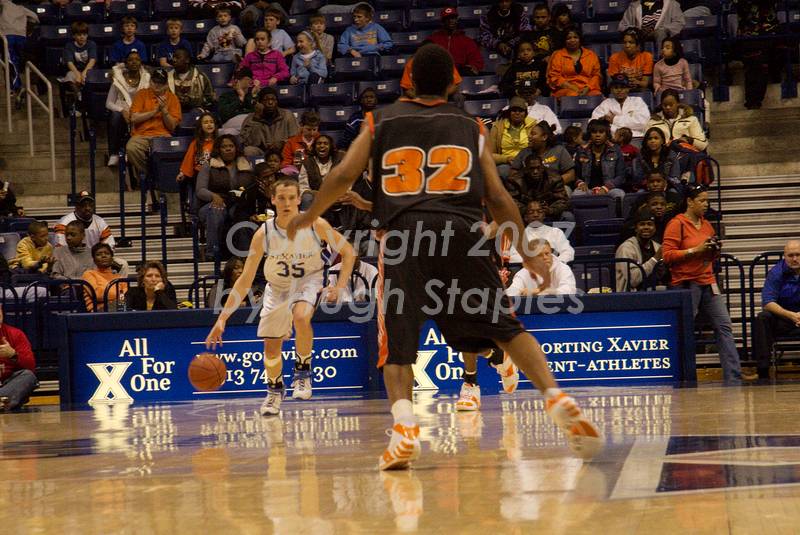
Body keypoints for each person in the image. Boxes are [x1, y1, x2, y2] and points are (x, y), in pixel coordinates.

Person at [284, 43, 601, 469]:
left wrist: (310, 214)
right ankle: (554, 395)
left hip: (404, 239)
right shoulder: (472, 126)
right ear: (454, 82)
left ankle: (404, 430)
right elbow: (500, 197)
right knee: (506, 328)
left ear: (409, 81)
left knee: (396, 350)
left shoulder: (381, 121)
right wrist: (526, 252)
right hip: (463, 234)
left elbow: (342, 175)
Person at [205, 178, 356, 415]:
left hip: (309, 280)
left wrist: (340, 286)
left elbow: (348, 252)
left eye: (291, 198)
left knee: (301, 316)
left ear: (299, 199)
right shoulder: (263, 233)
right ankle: (275, 391)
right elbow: (245, 279)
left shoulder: (316, 224)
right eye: (281, 198)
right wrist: (222, 318)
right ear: (273, 200)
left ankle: (303, 373)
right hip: (276, 288)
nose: (286, 203)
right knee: (271, 347)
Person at [661, 185, 754, 383]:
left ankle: (733, 374)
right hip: (686, 283)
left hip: (708, 280)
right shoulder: (676, 224)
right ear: (689, 201)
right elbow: (667, 256)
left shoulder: (706, 225)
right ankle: (684, 374)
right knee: (685, 329)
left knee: (724, 325)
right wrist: (695, 250)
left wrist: (714, 250)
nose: (706, 204)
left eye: (707, 200)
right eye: (702, 200)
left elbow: (710, 255)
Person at [196, 135, 255, 262]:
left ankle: (243, 257)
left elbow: (252, 187)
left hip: (238, 204)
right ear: (218, 149)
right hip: (212, 205)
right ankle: (212, 253)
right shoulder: (209, 166)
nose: (228, 149)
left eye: (231, 146)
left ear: (236, 148)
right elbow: (200, 190)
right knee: (216, 210)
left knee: (242, 213)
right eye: (224, 147)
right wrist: (213, 196)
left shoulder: (245, 165)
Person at [752, 240, 800, 379]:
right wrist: (790, 315)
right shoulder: (775, 273)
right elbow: (768, 302)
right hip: (784, 319)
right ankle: (763, 371)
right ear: (784, 256)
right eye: (791, 255)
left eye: (798, 254)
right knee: (762, 318)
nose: (795, 259)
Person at [125, 68, 182, 183]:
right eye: (154, 82)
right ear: (150, 81)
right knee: (131, 148)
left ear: (166, 84)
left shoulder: (173, 98)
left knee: (175, 150)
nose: (157, 85)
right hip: (141, 135)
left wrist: (164, 111)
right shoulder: (141, 94)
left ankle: (163, 179)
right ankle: (149, 176)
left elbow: (172, 127)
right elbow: (134, 118)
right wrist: (154, 112)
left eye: (160, 83)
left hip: (163, 136)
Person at [735, 0, 786, 110]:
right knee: (756, 66)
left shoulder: (772, 9)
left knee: (766, 62)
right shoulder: (744, 7)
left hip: (771, 40)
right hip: (751, 41)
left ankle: (775, 74)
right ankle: (753, 102)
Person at [105, 51, 150, 168]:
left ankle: (135, 152)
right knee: (115, 116)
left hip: (140, 111)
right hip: (123, 111)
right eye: (130, 60)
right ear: (126, 63)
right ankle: (114, 153)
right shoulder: (118, 80)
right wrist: (122, 110)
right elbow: (108, 103)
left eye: (137, 59)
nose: (134, 62)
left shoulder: (146, 79)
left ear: (141, 63)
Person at [510, 121, 575, 189]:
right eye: (530, 134)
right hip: (529, 190)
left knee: (566, 190)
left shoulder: (559, 150)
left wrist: (551, 184)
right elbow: (513, 174)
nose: (529, 136)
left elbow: (571, 175)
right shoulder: (524, 152)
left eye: (533, 134)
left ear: (544, 137)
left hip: (554, 188)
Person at [573, 119, 627, 199]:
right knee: (576, 195)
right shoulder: (581, 150)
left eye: (601, 132)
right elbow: (575, 174)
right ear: (590, 134)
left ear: (607, 134)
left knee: (619, 194)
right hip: (587, 188)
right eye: (594, 132)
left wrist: (606, 188)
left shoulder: (616, 150)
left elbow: (621, 176)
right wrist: (580, 183)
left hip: (609, 189)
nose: (597, 135)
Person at [615, 209, 667, 291]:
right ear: (636, 228)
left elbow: (662, 275)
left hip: (655, 292)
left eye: (650, 224)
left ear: (655, 228)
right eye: (642, 224)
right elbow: (633, 280)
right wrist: (655, 259)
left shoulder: (657, 247)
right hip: (631, 296)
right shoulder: (626, 248)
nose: (646, 227)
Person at [508, 199, 575, 264]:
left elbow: (568, 252)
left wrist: (555, 263)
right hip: (529, 271)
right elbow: (513, 257)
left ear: (544, 215)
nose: (536, 215)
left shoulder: (556, 232)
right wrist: (534, 261)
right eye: (531, 212)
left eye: (539, 211)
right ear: (526, 217)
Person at [509, 156, 572, 222]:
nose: (535, 171)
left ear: (542, 168)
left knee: (568, 217)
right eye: (531, 168)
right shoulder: (514, 180)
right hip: (525, 215)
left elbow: (563, 200)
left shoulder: (555, 178)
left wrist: (551, 210)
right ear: (526, 169)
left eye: (538, 168)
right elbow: (511, 201)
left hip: (548, 213)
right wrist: (527, 210)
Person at [240, 87, 299, 157]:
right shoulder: (251, 118)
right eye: (266, 100)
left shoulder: (287, 115)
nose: (270, 102)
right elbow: (247, 143)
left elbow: (296, 138)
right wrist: (256, 119)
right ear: (260, 102)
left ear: (277, 102)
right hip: (261, 153)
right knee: (248, 150)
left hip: (283, 151)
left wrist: (283, 143)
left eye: (273, 99)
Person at [0, 304, 37, 411]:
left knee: (28, 376)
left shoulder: (16, 334)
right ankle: (4, 402)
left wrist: (13, 355)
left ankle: (3, 401)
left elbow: (31, 367)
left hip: (8, 385)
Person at [507, 239, 576, 296]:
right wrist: (520, 293)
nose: (545, 257)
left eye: (547, 253)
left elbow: (569, 290)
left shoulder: (563, 269)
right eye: (539, 255)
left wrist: (540, 291)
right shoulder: (523, 273)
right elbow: (511, 292)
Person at [590, 73, 651, 138]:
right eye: (616, 87)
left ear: (628, 88)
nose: (619, 90)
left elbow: (643, 122)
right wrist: (630, 124)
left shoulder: (637, 101)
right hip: (613, 140)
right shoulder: (606, 103)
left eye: (623, 87)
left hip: (637, 139)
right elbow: (593, 124)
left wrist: (614, 120)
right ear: (611, 89)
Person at [547, 28, 602, 98]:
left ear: (580, 39)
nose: (572, 40)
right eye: (568, 38)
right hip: (565, 89)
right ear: (564, 41)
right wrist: (573, 88)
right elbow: (555, 77)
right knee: (573, 95)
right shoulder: (558, 55)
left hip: (587, 89)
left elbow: (596, 75)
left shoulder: (591, 55)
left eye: (575, 37)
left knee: (597, 95)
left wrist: (588, 88)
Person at [429, 7, 484, 75]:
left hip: (460, 74)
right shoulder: (433, 39)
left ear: (457, 20)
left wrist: (474, 66)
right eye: (447, 19)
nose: (451, 21)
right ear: (442, 22)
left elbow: (477, 60)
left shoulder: (467, 41)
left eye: (453, 18)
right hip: (439, 74)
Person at [490, 97, 535, 178]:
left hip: (528, 163)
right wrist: (506, 159)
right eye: (514, 110)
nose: (517, 113)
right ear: (509, 113)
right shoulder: (497, 127)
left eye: (521, 111)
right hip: (506, 164)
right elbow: (490, 155)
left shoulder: (533, 125)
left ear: (525, 113)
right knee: (502, 171)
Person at [0, 0, 38, 93]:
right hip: (21, 37)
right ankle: (17, 86)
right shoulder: (22, 8)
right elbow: (35, 17)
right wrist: (28, 30)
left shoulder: (3, 4)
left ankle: (17, 87)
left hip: (7, 37)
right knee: (15, 61)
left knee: (11, 61)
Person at [60, 21, 97, 112]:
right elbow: (69, 62)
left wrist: (84, 73)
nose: (82, 37)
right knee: (70, 76)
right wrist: (77, 74)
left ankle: (89, 103)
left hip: (88, 70)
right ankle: (79, 99)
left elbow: (92, 60)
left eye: (84, 34)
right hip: (75, 70)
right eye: (79, 35)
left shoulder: (91, 44)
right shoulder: (69, 46)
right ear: (74, 36)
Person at [618, 0, 685, 49]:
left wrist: (663, 29)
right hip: (641, 34)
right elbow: (622, 25)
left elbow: (679, 22)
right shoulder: (634, 6)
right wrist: (637, 30)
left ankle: (661, 62)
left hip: (662, 34)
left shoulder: (671, 4)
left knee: (660, 32)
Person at [82, 243, 129, 312]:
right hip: (98, 311)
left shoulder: (119, 278)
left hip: (118, 309)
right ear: (94, 260)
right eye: (98, 254)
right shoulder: (89, 274)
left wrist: (111, 295)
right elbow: (99, 295)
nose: (103, 256)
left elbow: (123, 299)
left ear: (112, 258)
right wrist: (117, 295)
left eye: (107, 253)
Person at [167, 48, 215, 112]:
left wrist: (191, 101)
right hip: (173, 113)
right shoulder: (167, 77)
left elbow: (210, 100)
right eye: (173, 57)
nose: (174, 60)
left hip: (196, 112)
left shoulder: (201, 77)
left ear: (187, 60)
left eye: (177, 57)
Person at [298, 134, 343, 203]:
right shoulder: (307, 162)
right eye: (319, 143)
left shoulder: (339, 160)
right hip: (314, 196)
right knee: (306, 198)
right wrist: (313, 193)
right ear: (314, 147)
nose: (322, 146)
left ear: (330, 147)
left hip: (336, 194)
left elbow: (346, 180)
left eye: (325, 143)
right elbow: (303, 187)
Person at [178, 112, 218, 186]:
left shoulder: (219, 142)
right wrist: (182, 173)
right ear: (201, 126)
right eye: (206, 122)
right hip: (199, 175)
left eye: (211, 122)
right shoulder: (195, 143)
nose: (209, 124)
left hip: (216, 174)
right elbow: (189, 159)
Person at [217, 67, 259, 134]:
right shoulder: (226, 96)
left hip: (251, 127)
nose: (235, 81)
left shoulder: (253, 96)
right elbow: (224, 115)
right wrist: (240, 98)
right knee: (228, 132)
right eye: (235, 79)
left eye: (240, 79)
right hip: (231, 127)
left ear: (250, 81)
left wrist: (254, 96)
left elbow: (258, 114)